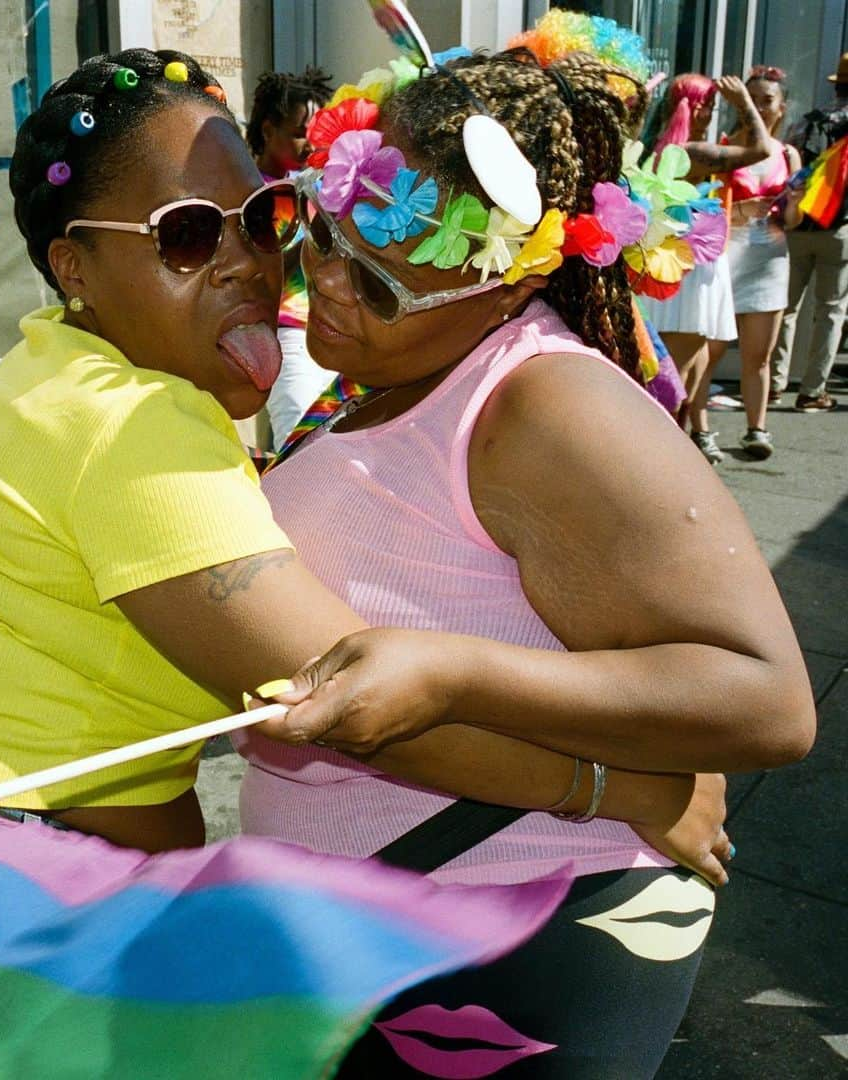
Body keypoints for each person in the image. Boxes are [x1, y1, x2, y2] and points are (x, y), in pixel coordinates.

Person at [0, 47, 735, 870]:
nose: (248, 264)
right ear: (74, 267)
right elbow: (346, 699)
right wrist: (618, 790)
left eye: (263, 217)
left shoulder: (58, 362)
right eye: (188, 235)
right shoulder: (125, 424)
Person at [234, 44, 815, 1076]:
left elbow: (767, 701)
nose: (323, 280)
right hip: (378, 934)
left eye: (374, 282)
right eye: (320, 232)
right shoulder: (390, 369)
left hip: (519, 938)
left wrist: (453, 670)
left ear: (503, 287)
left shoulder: (551, 404)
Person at [644, 73, 777, 464]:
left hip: (679, 265)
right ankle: (661, 462)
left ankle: (667, 455)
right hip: (689, 271)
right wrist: (745, 104)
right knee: (678, 375)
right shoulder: (690, 153)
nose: (714, 113)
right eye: (712, 106)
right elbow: (760, 149)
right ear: (697, 108)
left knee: (690, 367)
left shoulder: (658, 148)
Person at [699, 66, 803, 458]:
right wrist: (742, 210)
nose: (760, 106)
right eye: (752, 98)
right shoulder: (727, 147)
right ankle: (700, 429)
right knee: (709, 353)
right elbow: (709, 209)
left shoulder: (788, 154)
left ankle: (756, 430)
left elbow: (792, 223)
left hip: (770, 261)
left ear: (782, 107)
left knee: (759, 355)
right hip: (726, 258)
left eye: (768, 100)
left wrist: (792, 206)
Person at [246, 67, 336, 448]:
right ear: (268, 131)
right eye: (301, 132)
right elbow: (261, 269)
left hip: (331, 330)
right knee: (298, 447)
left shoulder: (317, 183)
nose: (310, 143)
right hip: (286, 333)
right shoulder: (248, 190)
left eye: (316, 133)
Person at [769, 52, 848, 412]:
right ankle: (812, 391)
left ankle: (772, 382)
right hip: (840, 229)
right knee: (830, 310)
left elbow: (788, 169)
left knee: (785, 307)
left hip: (798, 224)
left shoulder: (808, 122)